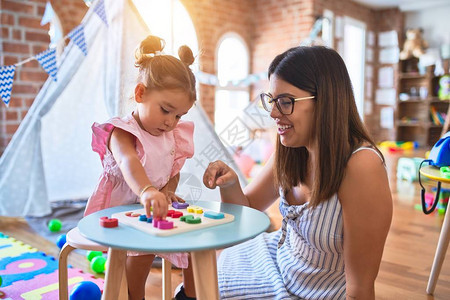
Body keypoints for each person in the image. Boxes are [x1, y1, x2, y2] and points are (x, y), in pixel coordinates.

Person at [202, 46, 393, 299]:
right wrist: (230, 183)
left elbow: (359, 288)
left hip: (315, 293)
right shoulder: (291, 148)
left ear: (325, 100)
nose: (272, 113)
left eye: (285, 102)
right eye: (271, 100)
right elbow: (246, 210)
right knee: (199, 279)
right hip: (276, 265)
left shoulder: (361, 167)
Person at [84, 35, 197, 300]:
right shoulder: (123, 132)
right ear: (140, 93)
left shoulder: (172, 136)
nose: (171, 122)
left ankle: (177, 294)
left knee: (153, 258)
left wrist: (167, 189)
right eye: (166, 110)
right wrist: (146, 189)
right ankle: (126, 294)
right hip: (121, 210)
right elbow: (128, 162)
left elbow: (173, 169)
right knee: (128, 273)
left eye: (179, 115)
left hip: (148, 211)